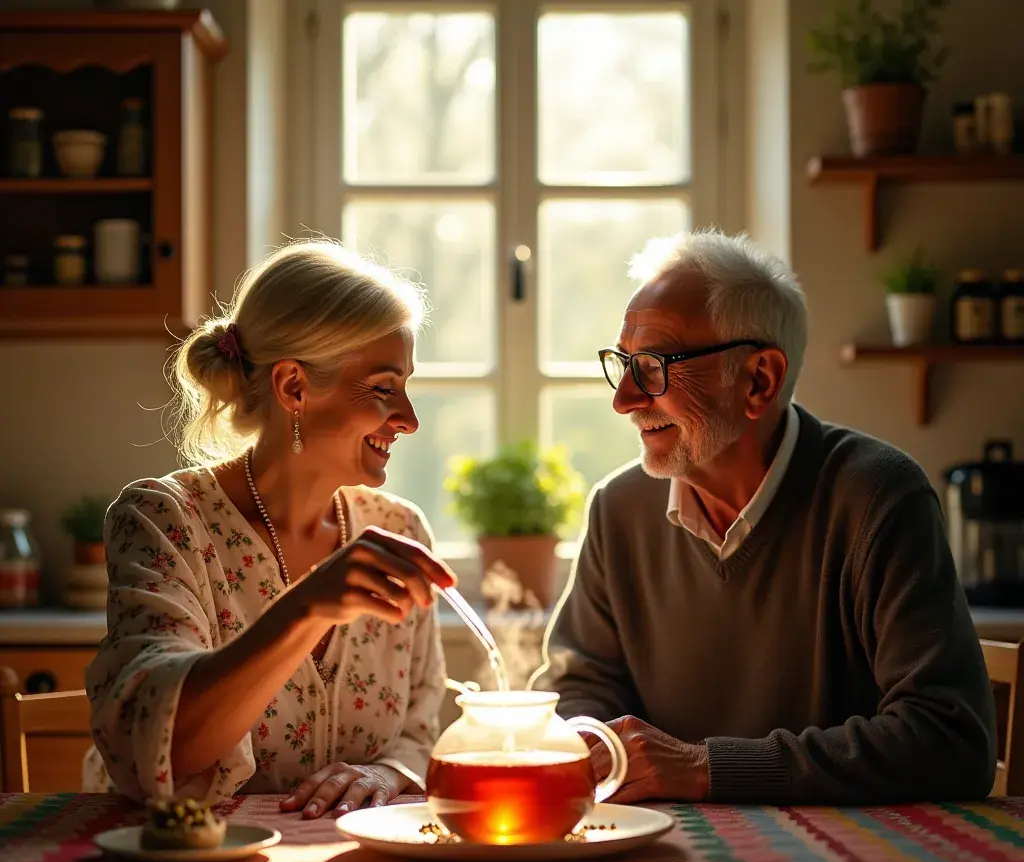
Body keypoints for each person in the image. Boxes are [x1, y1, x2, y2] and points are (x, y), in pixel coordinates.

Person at [530, 229, 997, 805]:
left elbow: (951, 740)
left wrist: (707, 768)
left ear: (759, 380)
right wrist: (586, 740)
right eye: (623, 363)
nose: (623, 398)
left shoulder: (877, 496)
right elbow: (581, 689)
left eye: (652, 366)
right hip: (670, 853)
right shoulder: (618, 507)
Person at [85, 240, 457, 819]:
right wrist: (305, 608)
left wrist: (384, 773)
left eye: (405, 386)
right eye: (384, 388)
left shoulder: (397, 528)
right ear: (294, 388)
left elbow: (417, 729)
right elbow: (169, 749)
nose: (409, 418)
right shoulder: (164, 520)